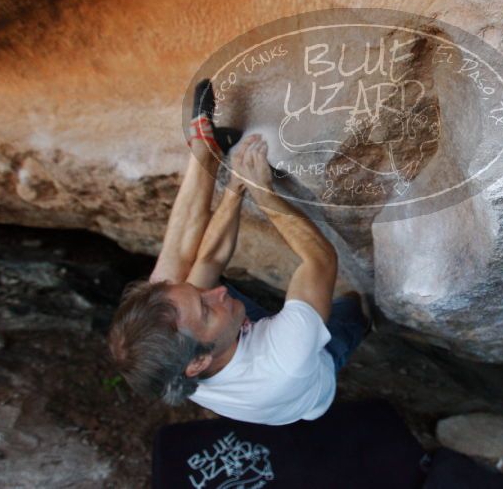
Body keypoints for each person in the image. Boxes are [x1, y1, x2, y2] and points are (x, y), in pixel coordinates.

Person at [108, 80, 370, 425]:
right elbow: (321, 260)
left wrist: (236, 188)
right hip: (311, 382)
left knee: (168, 282)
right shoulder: (284, 361)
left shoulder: (172, 361)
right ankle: (366, 319)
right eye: (205, 308)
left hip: (234, 339)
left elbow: (210, 262)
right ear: (197, 363)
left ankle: (204, 149)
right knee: (356, 309)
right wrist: (263, 192)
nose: (218, 291)